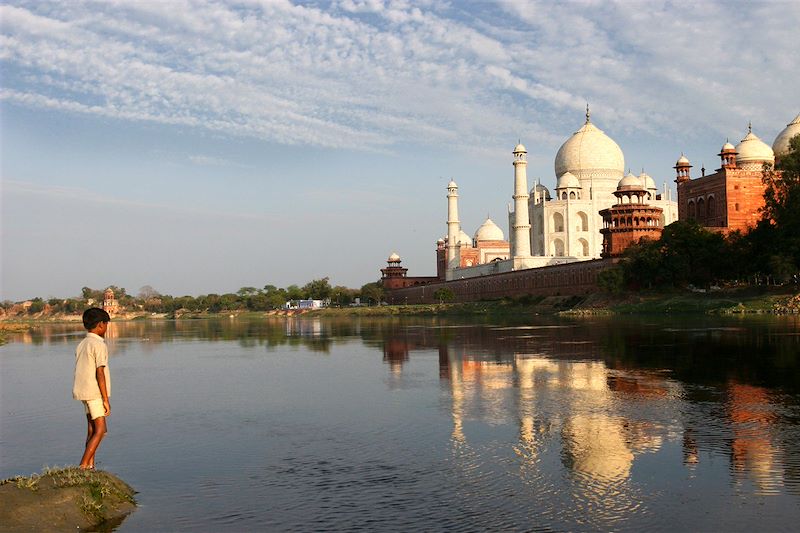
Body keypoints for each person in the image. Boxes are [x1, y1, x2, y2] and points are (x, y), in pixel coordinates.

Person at [73, 307, 111, 469]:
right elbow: (100, 372)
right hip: (94, 392)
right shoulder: (98, 344)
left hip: (82, 391)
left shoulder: (83, 343)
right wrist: (105, 399)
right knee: (101, 430)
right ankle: (83, 465)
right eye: (106, 324)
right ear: (101, 325)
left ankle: (90, 465)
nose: (107, 328)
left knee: (92, 428)